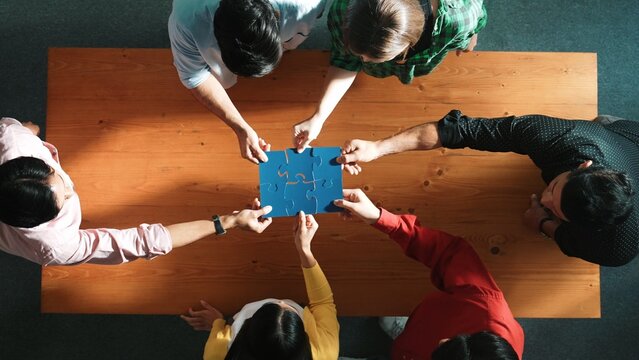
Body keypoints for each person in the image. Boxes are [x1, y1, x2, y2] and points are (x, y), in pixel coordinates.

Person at [336, 110, 638, 266]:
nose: (545, 197)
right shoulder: (565, 136)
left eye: (556, 208)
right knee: (604, 122)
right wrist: (377, 148)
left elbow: (570, 242)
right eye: (555, 187)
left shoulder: (615, 250)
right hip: (626, 137)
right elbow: (460, 130)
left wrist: (544, 223)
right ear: (583, 166)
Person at [0, 117, 273, 265]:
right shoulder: (55, 246)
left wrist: (26, 131)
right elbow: (142, 242)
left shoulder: (14, 141)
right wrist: (229, 221)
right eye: (62, 201)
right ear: (39, 220)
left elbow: (12, 129)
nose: (70, 190)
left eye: (53, 173)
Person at [334, 188, 524, 360]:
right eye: (456, 339)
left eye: (445, 349)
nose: (441, 341)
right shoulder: (486, 307)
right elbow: (447, 252)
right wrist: (380, 218)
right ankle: (405, 337)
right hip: (416, 335)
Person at [292, 0, 487, 152]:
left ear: (408, 43)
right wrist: (319, 117)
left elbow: (476, 19)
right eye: (360, 55)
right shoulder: (342, 11)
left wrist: (469, 38)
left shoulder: (458, 19)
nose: (364, 62)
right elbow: (346, 61)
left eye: (375, 58)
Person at [168, 0, 327, 164]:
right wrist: (240, 127)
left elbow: (317, 14)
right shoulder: (186, 19)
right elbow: (195, 76)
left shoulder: (307, 4)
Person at [181, 212, 339, 360]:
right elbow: (323, 302)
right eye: (288, 308)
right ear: (303, 337)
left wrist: (217, 323)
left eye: (272, 305)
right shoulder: (326, 351)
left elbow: (220, 339)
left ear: (246, 329)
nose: (280, 301)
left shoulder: (217, 353)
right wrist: (305, 249)